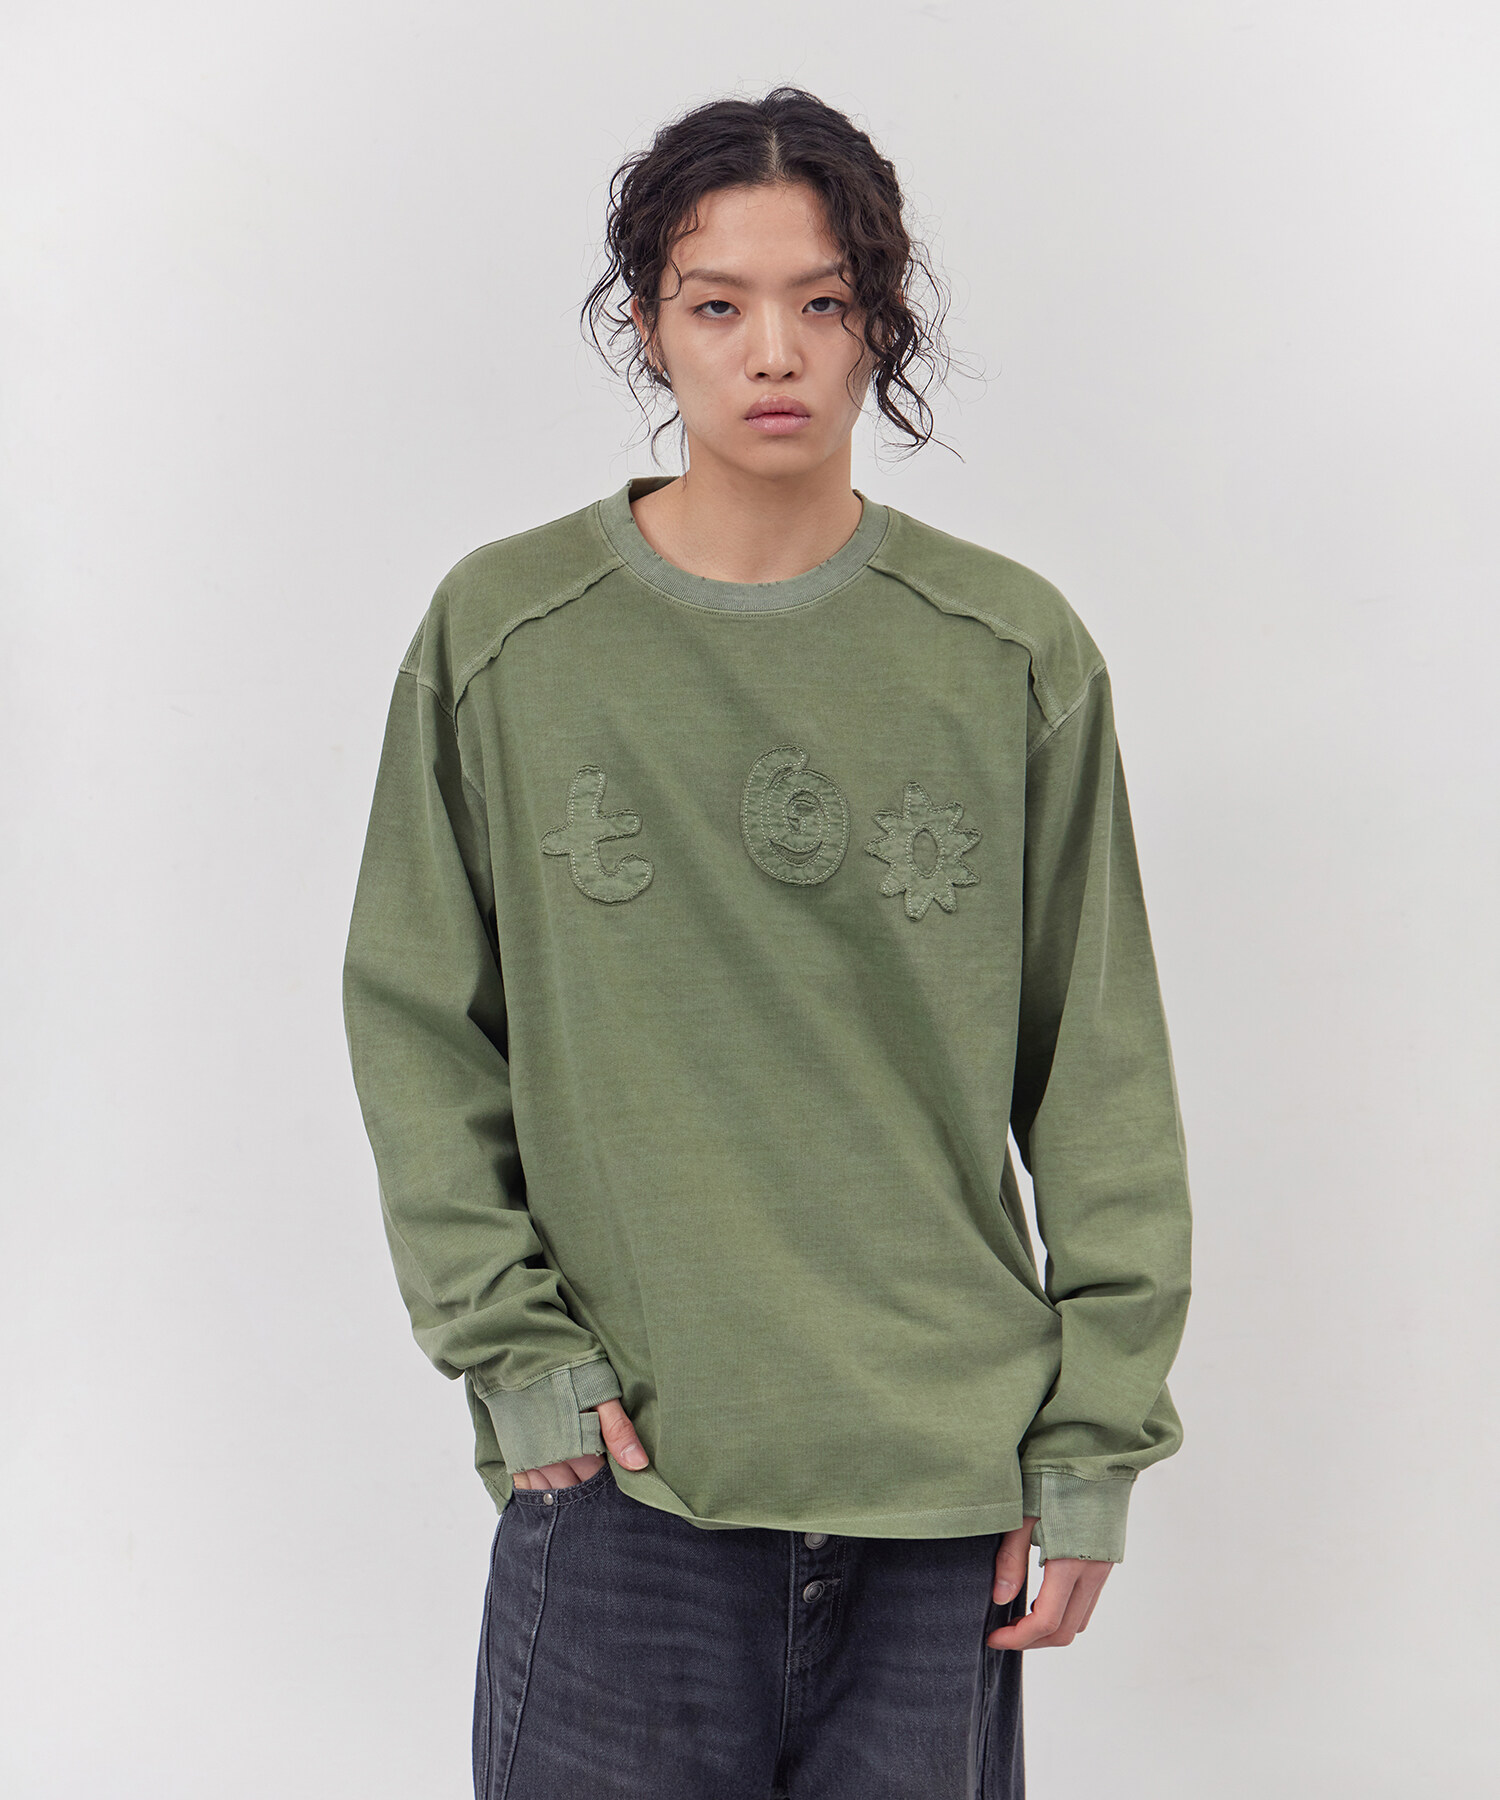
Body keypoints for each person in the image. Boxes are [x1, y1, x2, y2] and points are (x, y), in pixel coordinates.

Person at [341, 85, 1192, 1800]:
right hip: (624, 1482)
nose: (774, 351)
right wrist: (520, 1361)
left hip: (943, 1492)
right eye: (717, 303)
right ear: (648, 322)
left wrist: (1091, 1449)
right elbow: (420, 1022)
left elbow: (1097, 1071)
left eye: (822, 299)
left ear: (883, 318)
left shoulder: (1009, 650)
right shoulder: (508, 635)